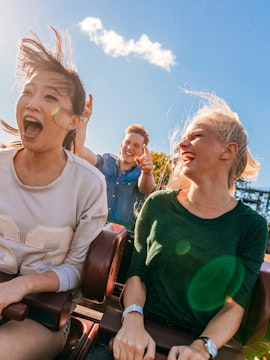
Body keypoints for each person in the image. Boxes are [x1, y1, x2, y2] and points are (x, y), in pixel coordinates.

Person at [97, 91, 268, 360]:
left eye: (196, 136)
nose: (181, 145)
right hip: (135, 335)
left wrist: (202, 347)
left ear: (228, 150)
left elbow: (234, 305)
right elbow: (137, 273)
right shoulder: (157, 204)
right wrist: (132, 321)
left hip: (194, 349)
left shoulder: (252, 226)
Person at [0, 26, 107, 360]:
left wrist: (23, 284)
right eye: (28, 92)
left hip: (41, 315)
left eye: (50, 97)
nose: (32, 103)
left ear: (74, 120)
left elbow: (76, 269)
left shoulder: (89, 184)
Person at [76, 97, 155, 231]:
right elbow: (78, 150)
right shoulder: (105, 161)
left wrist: (147, 172)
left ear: (142, 151)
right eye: (128, 143)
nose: (130, 148)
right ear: (121, 145)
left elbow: (146, 189)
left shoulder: (141, 174)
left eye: (136, 145)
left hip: (120, 238)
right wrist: (84, 119)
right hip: (89, 228)